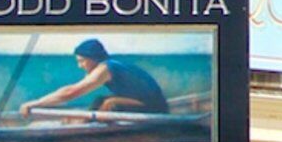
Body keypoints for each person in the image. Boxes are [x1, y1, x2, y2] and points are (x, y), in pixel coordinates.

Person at [14, 37, 169, 120]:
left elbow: (71, 92)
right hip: (143, 102)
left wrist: (35, 103)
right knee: (100, 100)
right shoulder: (110, 65)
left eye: (82, 61)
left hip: (156, 109)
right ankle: (84, 122)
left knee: (109, 103)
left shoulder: (105, 68)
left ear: (92, 58)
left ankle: (92, 128)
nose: (80, 66)